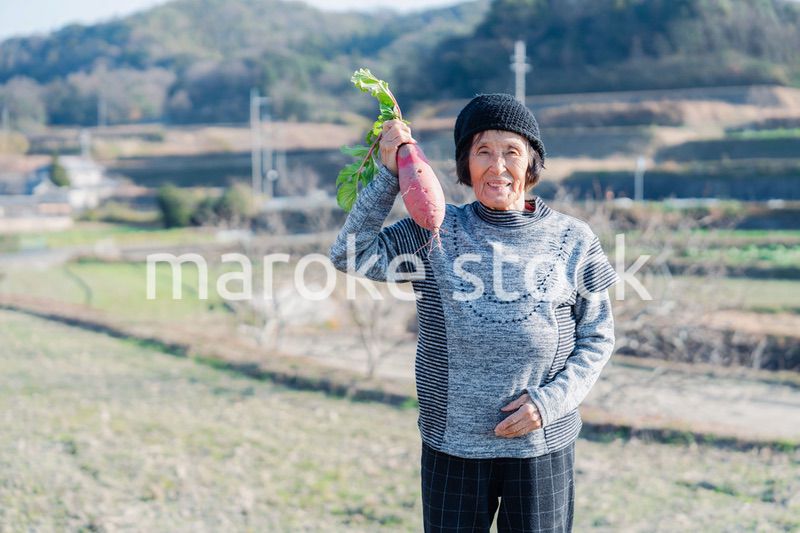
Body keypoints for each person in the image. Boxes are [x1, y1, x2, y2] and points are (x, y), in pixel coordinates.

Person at [329, 93, 619, 532]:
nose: (497, 166)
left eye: (511, 152)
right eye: (482, 151)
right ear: (465, 164)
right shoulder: (434, 230)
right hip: (453, 446)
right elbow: (350, 254)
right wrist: (392, 174)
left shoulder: (574, 239)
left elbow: (598, 337)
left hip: (541, 445)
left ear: (532, 164)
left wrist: (549, 404)